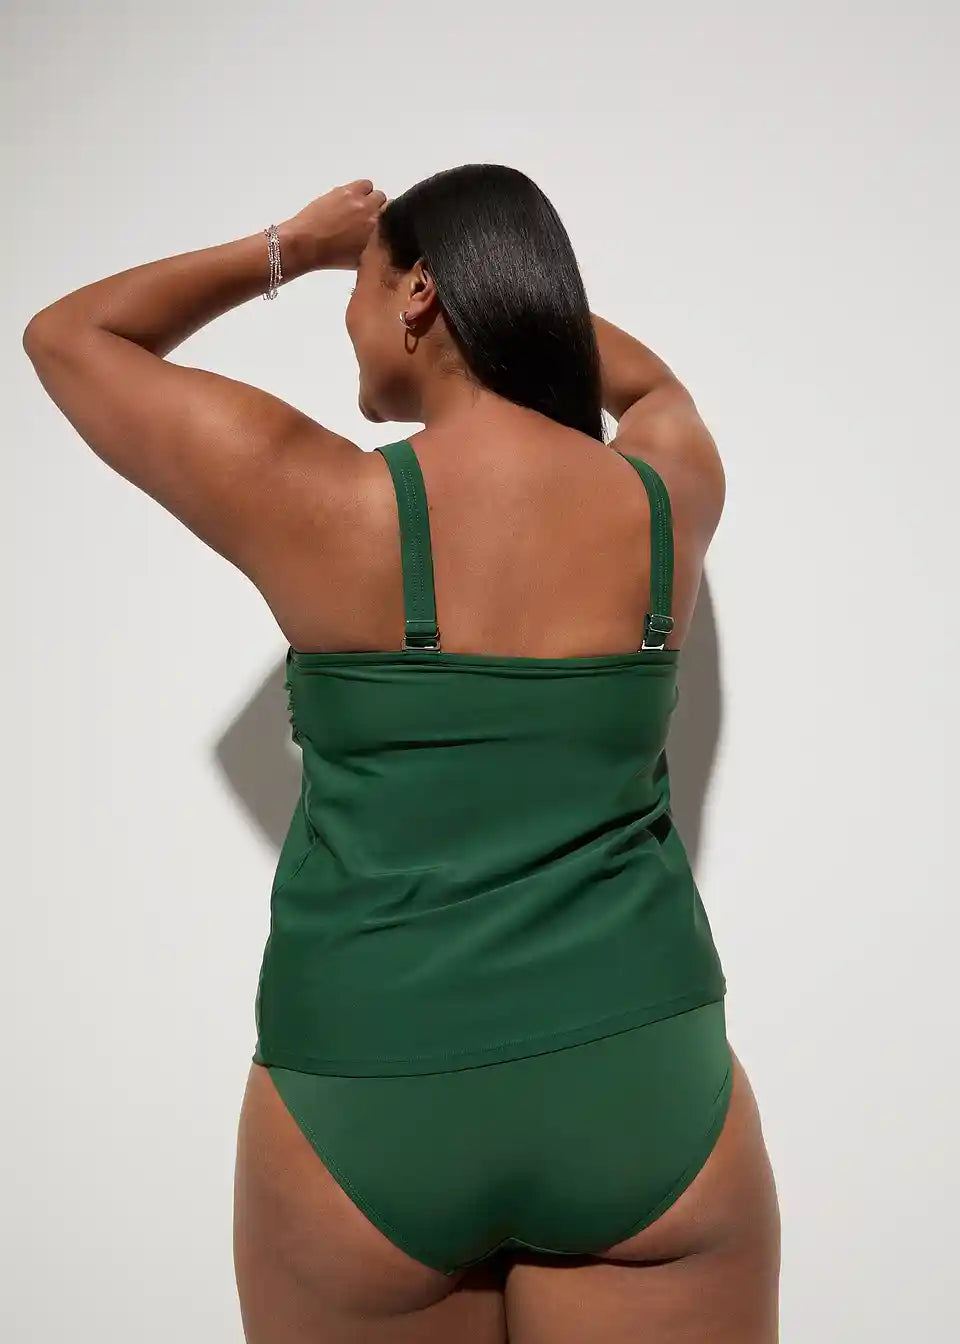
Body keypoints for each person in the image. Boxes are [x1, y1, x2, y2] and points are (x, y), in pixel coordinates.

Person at [22, 165, 780, 1342]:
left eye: (362, 290)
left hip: (367, 1093)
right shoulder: (664, 499)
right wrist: (511, 299)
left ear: (419, 293)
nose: (348, 320)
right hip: (644, 1084)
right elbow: (655, 387)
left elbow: (70, 336)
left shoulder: (321, 500)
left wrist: (292, 245)